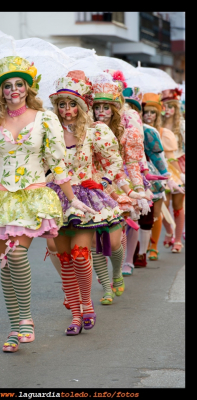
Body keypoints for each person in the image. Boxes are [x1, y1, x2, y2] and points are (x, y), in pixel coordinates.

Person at [0, 56, 93, 353]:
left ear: (28, 88)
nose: (13, 90)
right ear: (0, 91)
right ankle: (14, 327)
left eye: (19, 84)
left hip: (30, 196)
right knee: (5, 264)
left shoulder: (46, 119)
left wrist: (74, 197)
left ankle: (26, 320)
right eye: (7, 86)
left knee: (16, 257)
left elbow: (58, 162)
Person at [45, 70, 124, 332]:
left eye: (71, 104)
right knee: (65, 258)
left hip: (85, 200)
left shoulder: (95, 132)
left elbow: (114, 161)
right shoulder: (48, 133)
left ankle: (87, 304)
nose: (67, 110)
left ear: (81, 105)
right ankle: (76, 315)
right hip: (55, 199)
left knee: (80, 255)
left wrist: (101, 183)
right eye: (61, 104)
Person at [90, 72, 152, 281]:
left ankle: (120, 264)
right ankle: (103, 270)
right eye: (96, 107)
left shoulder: (128, 133)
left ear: (115, 109)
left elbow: (132, 163)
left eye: (106, 107)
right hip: (95, 182)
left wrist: (139, 190)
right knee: (94, 229)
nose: (101, 112)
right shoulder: (86, 130)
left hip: (120, 182)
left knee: (118, 229)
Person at [123, 87, 170, 267]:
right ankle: (127, 257)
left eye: (131, 108)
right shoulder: (110, 129)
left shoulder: (147, 131)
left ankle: (141, 253)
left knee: (145, 217)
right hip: (118, 174)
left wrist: (165, 174)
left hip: (144, 173)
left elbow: (157, 155)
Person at [141, 93, 185, 257]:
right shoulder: (136, 129)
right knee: (155, 211)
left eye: (153, 112)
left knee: (175, 206)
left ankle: (173, 240)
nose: (149, 115)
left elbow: (171, 158)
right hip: (143, 173)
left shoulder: (165, 133)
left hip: (166, 171)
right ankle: (166, 233)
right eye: (146, 112)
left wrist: (179, 176)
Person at [161, 88, 186, 251]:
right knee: (162, 204)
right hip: (162, 165)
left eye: (171, 106)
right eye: (165, 106)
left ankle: (177, 239)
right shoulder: (157, 123)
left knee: (178, 205)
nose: (168, 109)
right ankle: (169, 231)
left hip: (178, 164)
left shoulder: (182, 125)